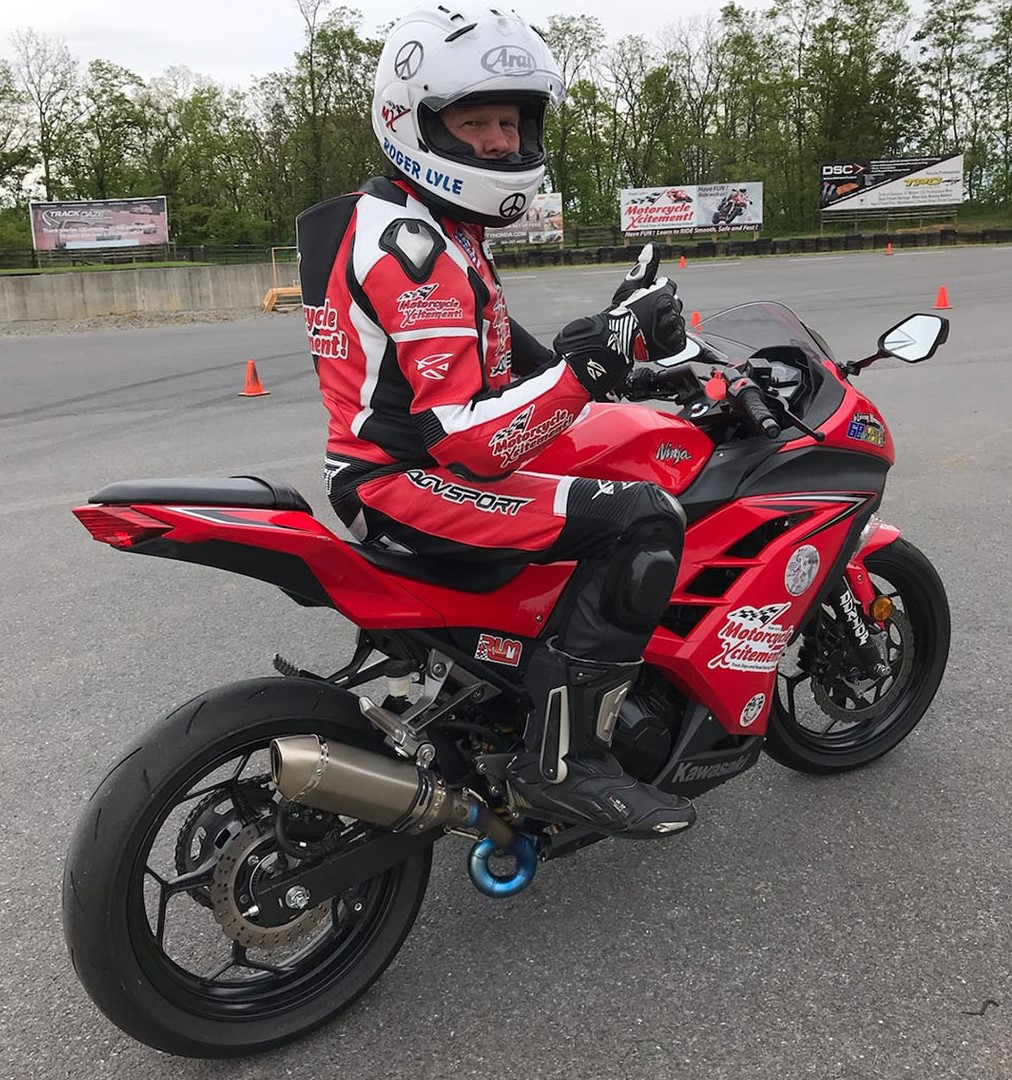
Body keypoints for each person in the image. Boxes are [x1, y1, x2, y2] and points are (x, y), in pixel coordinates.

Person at [296, 3, 695, 839]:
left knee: (603, 461)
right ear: (414, 122)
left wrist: (628, 365)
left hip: (396, 468)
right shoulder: (419, 249)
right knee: (643, 518)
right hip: (412, 480)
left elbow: (506, 358)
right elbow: (468, 438)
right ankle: (566, 766)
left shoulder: (425, 223)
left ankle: (519, 699)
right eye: (473, 120)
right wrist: (592, 369)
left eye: (510, 121)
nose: (498, 142)